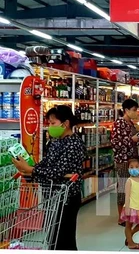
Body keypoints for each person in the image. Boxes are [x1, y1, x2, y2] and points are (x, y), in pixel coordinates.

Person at [12, 105, 86, 250]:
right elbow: (46, 164)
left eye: (53, 123)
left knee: (64, 238)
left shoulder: (74, 143)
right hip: (52, 195)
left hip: (67, 198)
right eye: (49, 124)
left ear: (65, 124)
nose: (50, 127)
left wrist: (31, 170)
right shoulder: (55, 141)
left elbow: (59, 171)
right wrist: (27, 170)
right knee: (53, 236)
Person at [111, 99, 139, 226]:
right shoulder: (119, 124)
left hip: (133, 160)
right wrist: (130, 139)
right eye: (134, 110)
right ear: (126, 110)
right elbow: (115, 143)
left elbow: (133, 141)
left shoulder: (130, 124)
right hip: (123, 161)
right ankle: (120, 217)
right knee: (123, 187)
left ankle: (129, 214)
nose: (136, 112)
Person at [121, 158, 139, 250]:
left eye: (137, 167)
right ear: (128, 169)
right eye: (131, 167)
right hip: (131, 207)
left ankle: (130, 235)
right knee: (128, 225)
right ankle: (130, 243)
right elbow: (127, 195)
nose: (134, 169)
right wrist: (127, 208)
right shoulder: (129, 181)